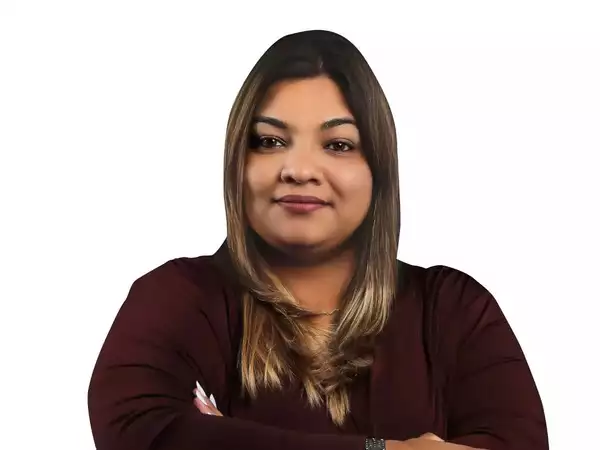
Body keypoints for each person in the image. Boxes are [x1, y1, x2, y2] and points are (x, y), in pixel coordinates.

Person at [87, 30, 548, 450]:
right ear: (237, 163)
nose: (299, 169)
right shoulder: (177, 299)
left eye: (338, 145)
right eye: (270, 141)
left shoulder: (454, 311)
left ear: (378, 170)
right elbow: (139, 432)